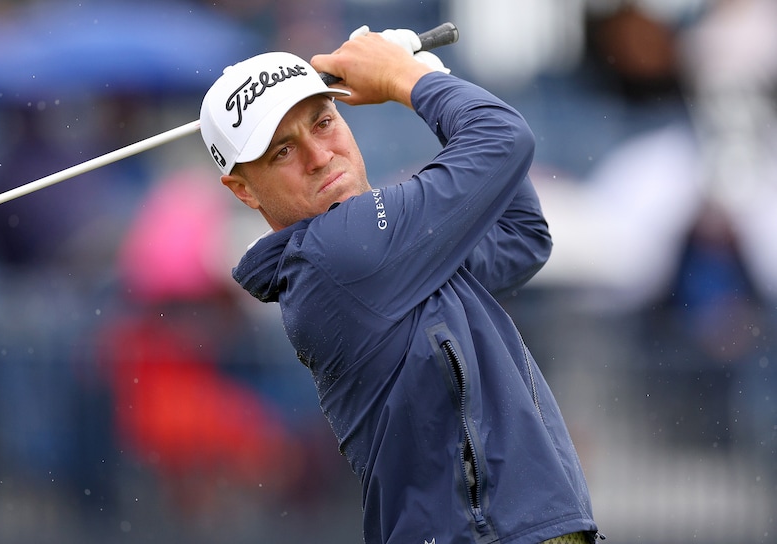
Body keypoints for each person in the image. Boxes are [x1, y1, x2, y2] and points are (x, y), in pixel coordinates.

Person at [199, 26, 600, 544]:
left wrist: (430, 76)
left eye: (323, 122)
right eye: (281, 152)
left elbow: (520, 237)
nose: (319, 156)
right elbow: (505, 137)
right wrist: (405, 78)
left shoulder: (386, 254)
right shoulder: (340, 252)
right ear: (242, 190)